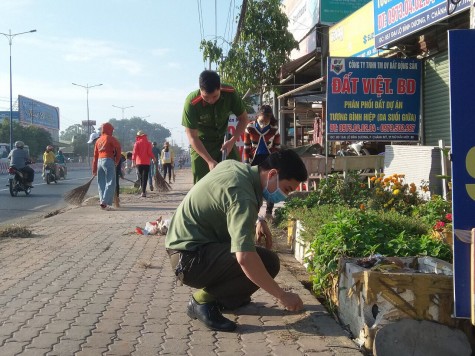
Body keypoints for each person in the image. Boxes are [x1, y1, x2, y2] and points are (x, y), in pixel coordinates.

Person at [165, 149, 308, 332]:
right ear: (273, 174)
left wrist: (259, 220)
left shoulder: (235, 167)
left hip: (188, 248)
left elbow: (228, 201)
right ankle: (201, 301)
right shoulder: (243, 195)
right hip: (189, 260)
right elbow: (244, 258)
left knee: (264, 260)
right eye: (286, 189)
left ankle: (229, 297)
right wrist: (281, 295)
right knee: (265, 262)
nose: (284, 196)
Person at [182, 70, 249, 183]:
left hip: (225, 142)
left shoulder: (230, 93)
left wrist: (232, 141)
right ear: (200, 90)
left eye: (215, 96)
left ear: (220, 88)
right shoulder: (191, 103)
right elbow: (192, 136)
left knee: (237, 177)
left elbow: (244, 119)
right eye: (206, 97)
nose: (211, 100)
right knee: (202, 185)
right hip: (201, 145)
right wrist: (209, 161)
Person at [243, 104, 281, 216]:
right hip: (254, 160)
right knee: (255, 186)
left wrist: (276, 162)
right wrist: (246, 163)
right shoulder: (250, 127)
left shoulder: (274, 129)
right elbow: (246, 147)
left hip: (269, 159)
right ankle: (255, 212)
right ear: (259, 115)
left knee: (271, 185)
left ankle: (269, 211)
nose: (265, 121)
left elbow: (277, 147)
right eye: (264, 119)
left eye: (268, 119)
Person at [92, 123, 122, 210]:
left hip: (99, 162)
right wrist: (116, 160)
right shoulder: (110, 138)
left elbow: (95, 156)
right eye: (112, 130)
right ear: (109, 130)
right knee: (110, 182)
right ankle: (105, 202)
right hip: (108, 161)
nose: (112, 132)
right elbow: (119, 148)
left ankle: (102, 201)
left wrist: (94, 169)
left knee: (101, 183)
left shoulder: (98, 140)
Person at [132, 130, 155, 197]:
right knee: (145, 177)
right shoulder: (149, 143)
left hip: (138, 163)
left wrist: (133, 162)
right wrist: (154, 158)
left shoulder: (137, 143)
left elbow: (134, 153)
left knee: (141, 177)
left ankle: (142, 191)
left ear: (138, 136)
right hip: (146, 163)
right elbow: (149, 153)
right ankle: (143, 192)